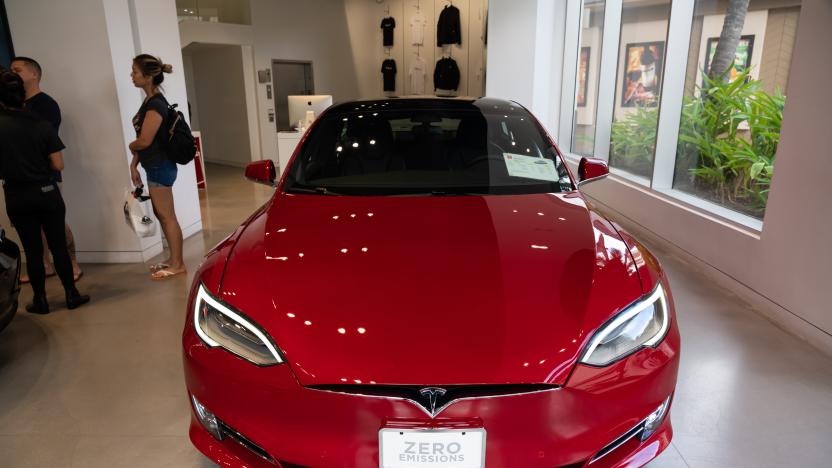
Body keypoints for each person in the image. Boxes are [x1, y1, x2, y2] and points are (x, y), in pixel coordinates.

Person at [0, 71, 90, 313]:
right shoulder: (40, 124)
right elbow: (58, 164)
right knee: (57, 245)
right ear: (23, 94)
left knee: (32, 250)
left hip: (17, 195)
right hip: (46, 192)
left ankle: (40, 300)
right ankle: (71, 295)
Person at [10, 56, 84, 283]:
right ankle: (44, 264)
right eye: (11, 70)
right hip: (22, 177)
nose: (13, 73)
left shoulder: (45, 105)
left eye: (18, 69)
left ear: (34, 74)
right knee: (34, 226)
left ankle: (72, 263)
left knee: (55, 224)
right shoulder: (15, 105)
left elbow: (45, 144)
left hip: (46, 175)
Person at [128, 54, 186, 280]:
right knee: (163, 215)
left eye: (134, 71)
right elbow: (143, 143)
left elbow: (143, 141)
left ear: (148, 76)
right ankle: (173, 259)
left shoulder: (155, 105)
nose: (131, 75)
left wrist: (130, 146)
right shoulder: (150, 101)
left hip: (160, 166)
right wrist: (134, 164)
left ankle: (178, 264)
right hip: (154, 164)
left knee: (167, 215)